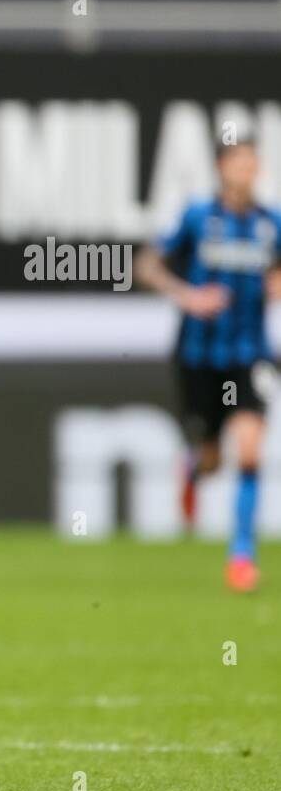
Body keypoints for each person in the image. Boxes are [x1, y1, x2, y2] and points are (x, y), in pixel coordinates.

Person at [136, 138, 281, 592]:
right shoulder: (198, 217)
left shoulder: (270, 223)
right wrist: (188, 296)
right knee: (214, 461)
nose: (246, 170)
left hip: (250, 354)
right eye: (238, 162)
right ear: (221, 167)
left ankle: (241, 555)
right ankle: (194, 468)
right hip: (199, 357)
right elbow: (147, 265)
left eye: (251, 162)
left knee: (251, 450)